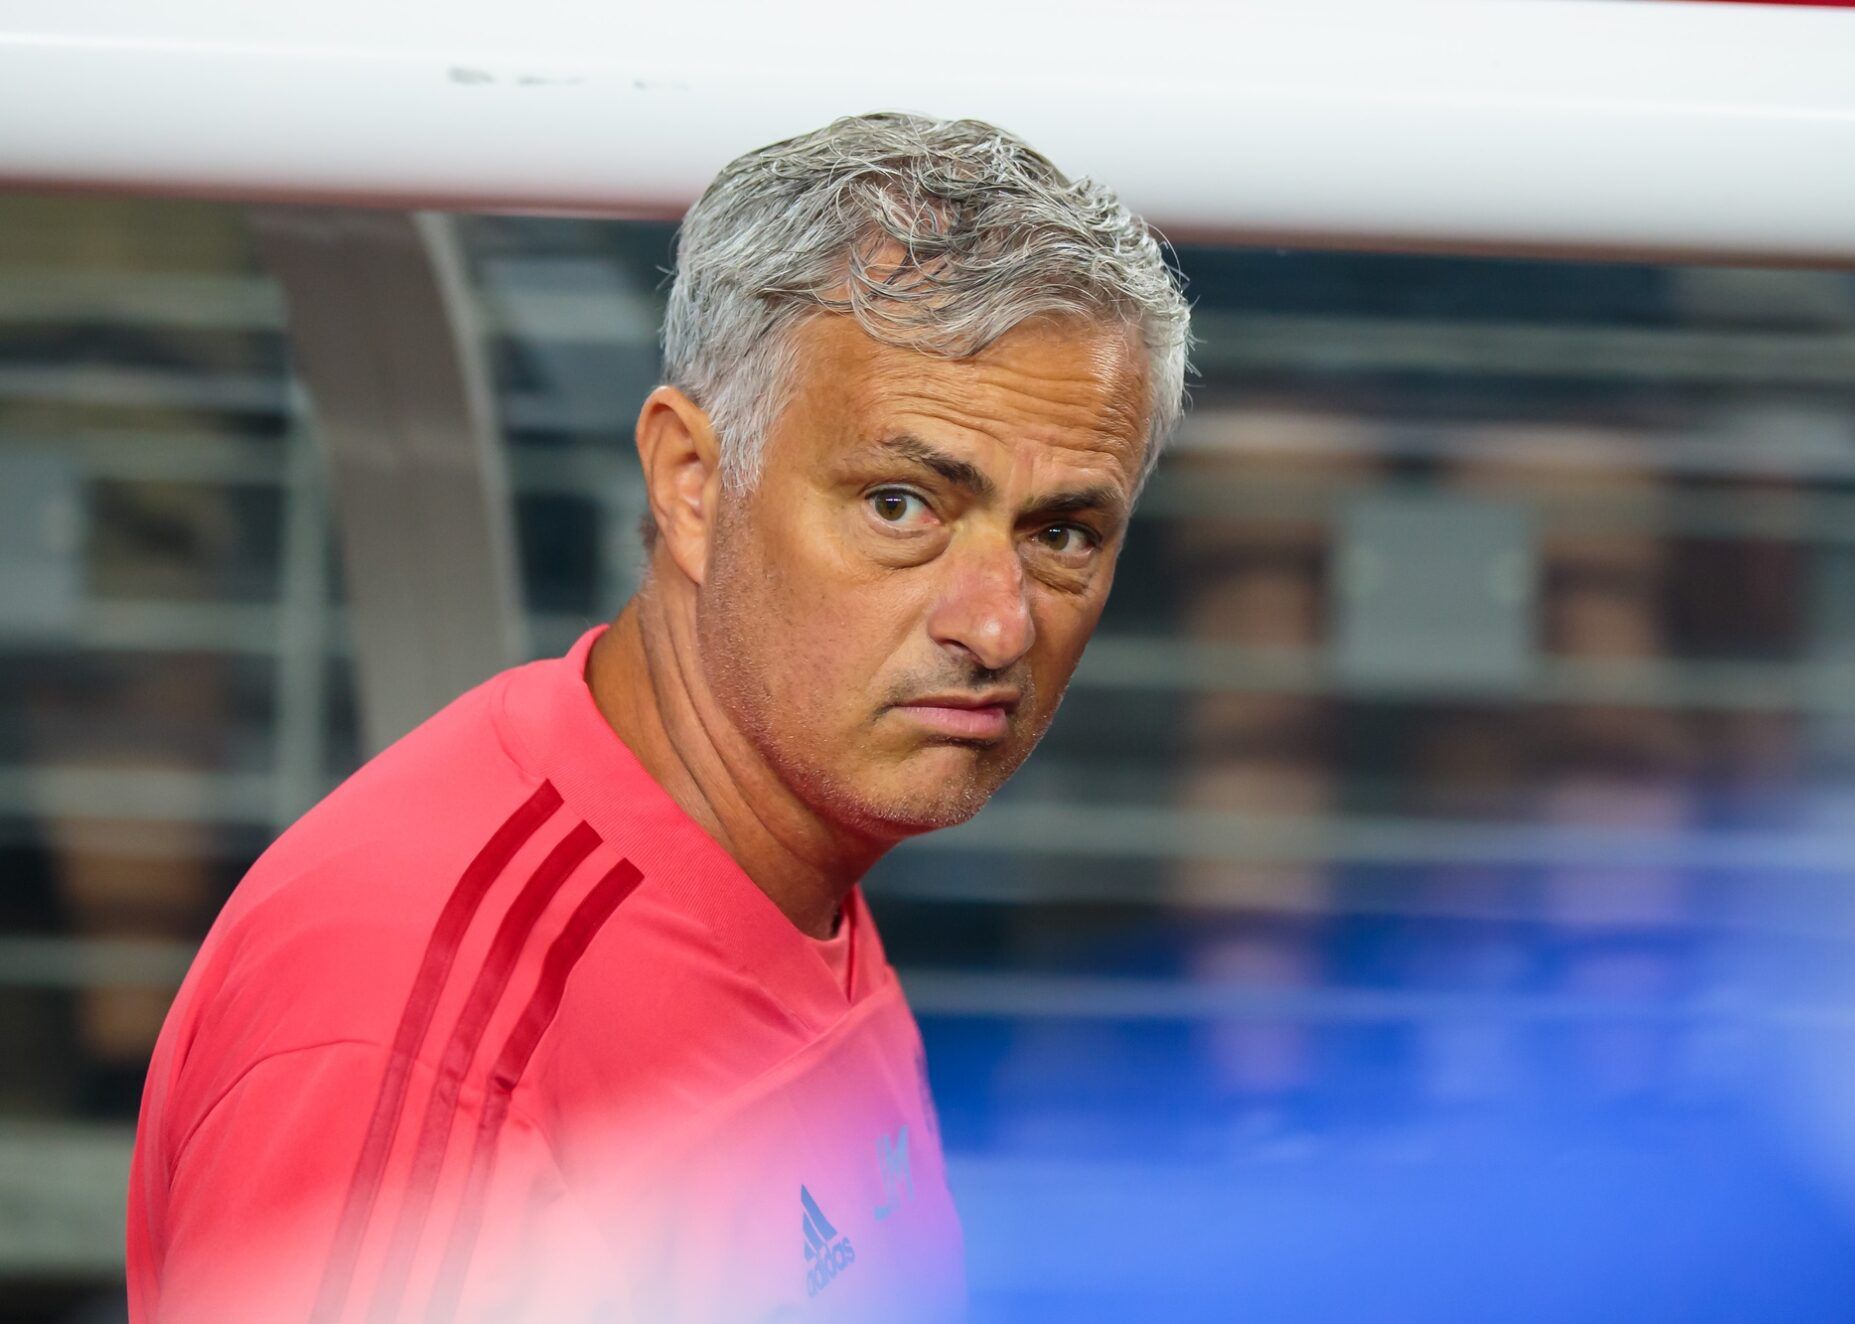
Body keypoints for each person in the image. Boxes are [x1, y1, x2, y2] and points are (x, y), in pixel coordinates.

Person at [126, 111, 1191, 1323]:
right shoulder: (428, 1018)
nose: (997, 623)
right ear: (693, 482)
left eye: (1063, 534)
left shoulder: (789, 857)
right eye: (901, 505)